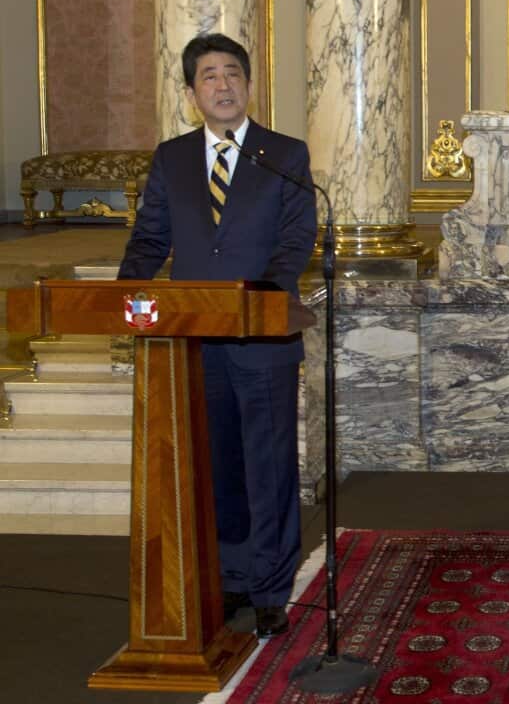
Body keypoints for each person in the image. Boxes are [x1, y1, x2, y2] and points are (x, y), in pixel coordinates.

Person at [117, 33, 317, 639]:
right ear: (191, 93)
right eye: (208, 76)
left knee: (269, 466)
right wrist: (125, 295)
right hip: (194, 342)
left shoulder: (283, 153)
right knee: (218, 466)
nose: (223, 85)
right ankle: (230, 578)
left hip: (262, 338)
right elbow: (151, 238)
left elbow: (294, 239)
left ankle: (271, 588)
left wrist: (258, 302)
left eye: (232, 73)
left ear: (249, 85)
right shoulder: (172, 158)